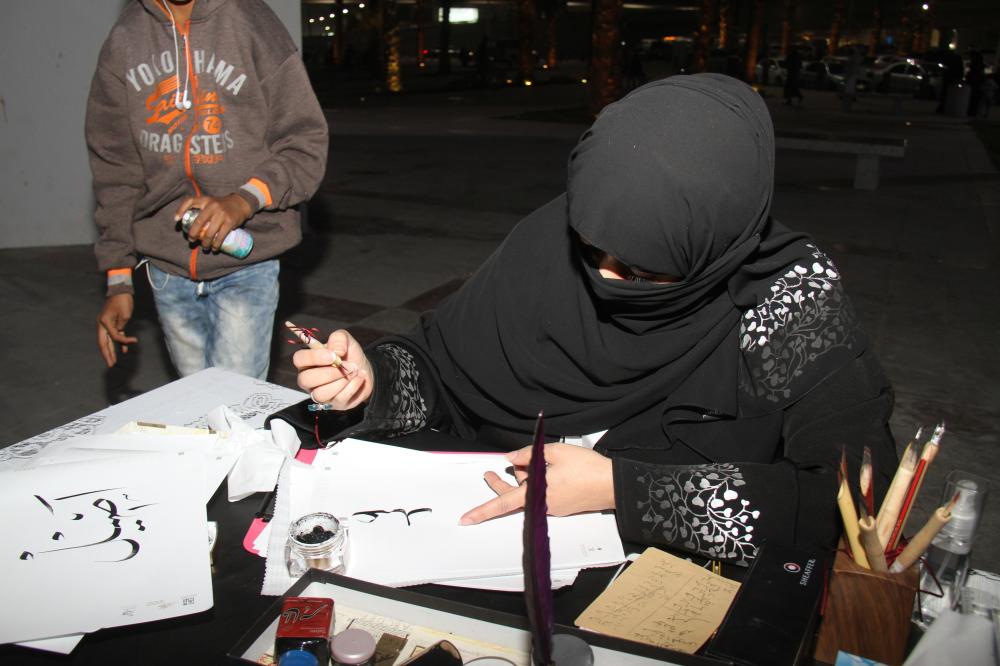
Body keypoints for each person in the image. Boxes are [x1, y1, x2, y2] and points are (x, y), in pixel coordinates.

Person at [294, 74, 898, 565]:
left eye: (643, 270)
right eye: (593, 249)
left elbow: (848, 503)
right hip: (486, 546)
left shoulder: (789, 299)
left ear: (716, 241)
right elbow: (441, 368)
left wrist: (620, 490)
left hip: (670, 576)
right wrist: (372, 380)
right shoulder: (553, 238)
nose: (606, 277)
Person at [87, 0, 329, 380]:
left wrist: (243, 199)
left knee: (234, 409)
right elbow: (115, 167)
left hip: (247, 261)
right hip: (167, 267)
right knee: (196, 403)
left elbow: (305, 143)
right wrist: (118, 278)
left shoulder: (251, 22)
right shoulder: (126, 39)